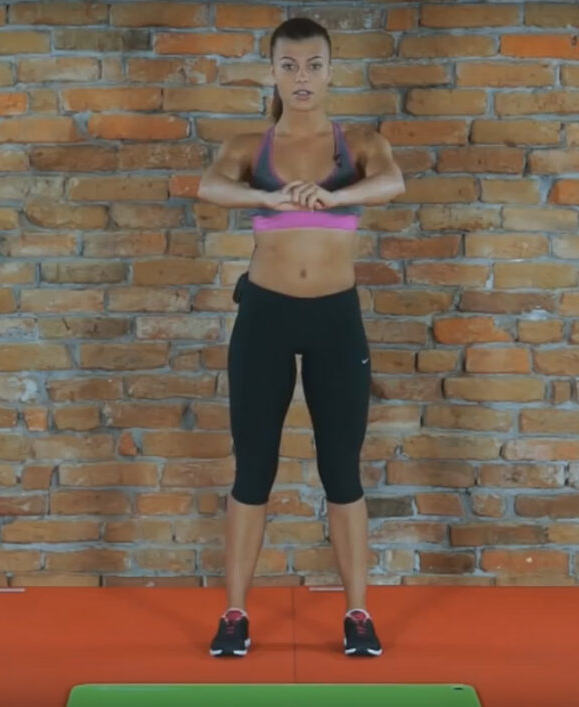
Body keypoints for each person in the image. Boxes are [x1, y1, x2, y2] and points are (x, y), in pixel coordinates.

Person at [195, 16, 405, 658]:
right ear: (273, 72)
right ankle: (235, 614)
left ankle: (358, 615)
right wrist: (270, 199)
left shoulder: (358, 143)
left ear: (331, 70)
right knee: (252, 469)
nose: (302, 77)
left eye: (314, 65)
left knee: (341, 469)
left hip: (334, 320)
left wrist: (332, 199)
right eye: (289, 66)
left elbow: (393, 182)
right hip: (265, 317)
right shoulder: (249, 145)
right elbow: (209, 185)